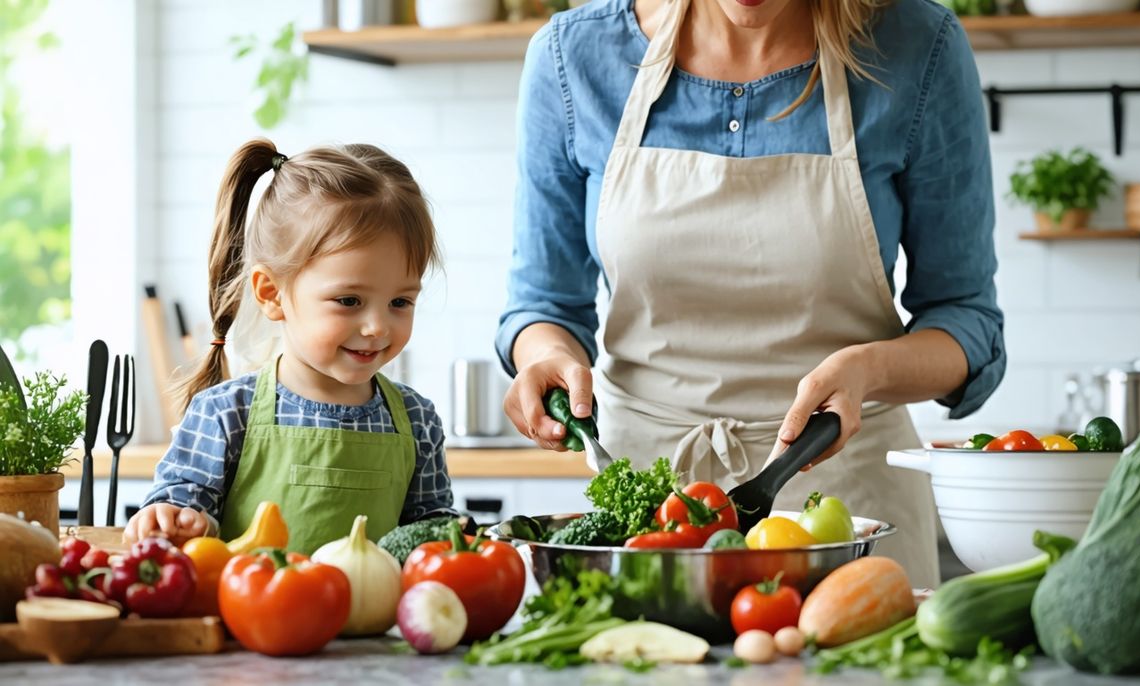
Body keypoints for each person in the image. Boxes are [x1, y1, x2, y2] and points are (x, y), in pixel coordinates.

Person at [496, 0, 1003, 587]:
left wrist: (869, 368)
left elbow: (967, 322)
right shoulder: (573, 56)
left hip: (845, 509)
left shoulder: (917, 45)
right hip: (650, 511)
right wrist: (546, 359)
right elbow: (544, 304)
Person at [127, 139, 455, 554]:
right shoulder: (226, 414)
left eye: (400, 302)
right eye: (349, 301)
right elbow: (177, 507)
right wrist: (172, 518)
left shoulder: (417, 420)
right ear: (272, 294)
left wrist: (452, 534)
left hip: (379, 622)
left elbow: (433, 532)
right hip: (251, 618)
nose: (376, 326)